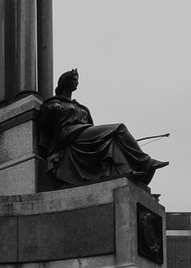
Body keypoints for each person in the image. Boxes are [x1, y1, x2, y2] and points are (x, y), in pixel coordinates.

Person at [37, 69, 169, 188]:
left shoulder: (81, 107)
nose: (77, 82)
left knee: (111, 141)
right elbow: (43, 124)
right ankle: (145, 162)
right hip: (68, 134)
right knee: (119, 128)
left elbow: (91, 126)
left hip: (83, 134)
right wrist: (51, 109)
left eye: (77, 80)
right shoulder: (54, 102)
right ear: (64, 82)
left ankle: (127, 171)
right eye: (74, 79)